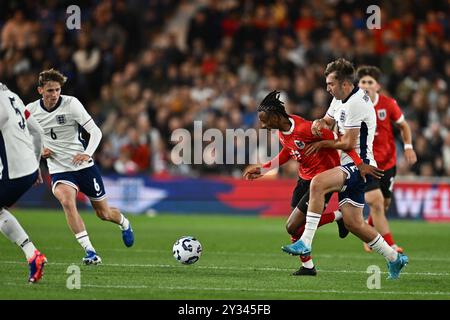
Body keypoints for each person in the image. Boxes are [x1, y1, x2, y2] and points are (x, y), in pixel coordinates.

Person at [281, 58, 409, 280]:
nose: (327, 88)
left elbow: (348, 143)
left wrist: (320, 143)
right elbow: (328, 121)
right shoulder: (339, 99)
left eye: (331, 83)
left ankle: (306, 241)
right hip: (348, 164)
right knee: (355, 224)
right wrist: (318, 124)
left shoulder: (356, 103)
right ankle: (394, 258)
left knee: (318, 183)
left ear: (345, 84)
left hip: (359, 164)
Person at [26, 69, 134, 265]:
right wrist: (40, 152)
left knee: (104, 213)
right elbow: (27, 138)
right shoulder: (31, 111)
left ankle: (124, 223)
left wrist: (87, 153)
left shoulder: (71, 104)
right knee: (67, 201)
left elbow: (95, 132)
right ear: (40, 90)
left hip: (83, 166)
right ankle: (90, 251)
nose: (54, 94)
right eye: (50, 90)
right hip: (59, 168)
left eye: (57, 90)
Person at [243, 90, 356, 276]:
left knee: (291, 226)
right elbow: (288, 152)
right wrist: (263, 169)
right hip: (303, 179)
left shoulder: (305, 128)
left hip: (322, 181)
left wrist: (323, 146)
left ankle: (340, 215)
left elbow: (339, 141)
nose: (262, 125)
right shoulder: (282, 131)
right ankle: (308, 267)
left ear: (276, 116)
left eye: (264, 120)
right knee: (298, 228)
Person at [356, 65, 417, 253]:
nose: (366, 85)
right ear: (358, 85)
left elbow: (404, 126)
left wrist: (408, 147)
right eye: (363, 82)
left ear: (378, 86)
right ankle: (390, 246)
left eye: (370, 82)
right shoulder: (353, 106)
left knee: (384, 204)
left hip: (388, 162)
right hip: (367, 163)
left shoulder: (388, 104)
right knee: (375, 201)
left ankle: (368, 228)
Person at [0, 82, 47, 283]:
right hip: (28, 169)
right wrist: (36, 165)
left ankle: (32, 254)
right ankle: (32, 254)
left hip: (13, 171)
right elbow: (38, 132)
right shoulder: (13, 97)